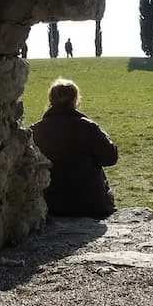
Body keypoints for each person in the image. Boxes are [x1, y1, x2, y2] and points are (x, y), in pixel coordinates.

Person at [30, 78, 117, 218]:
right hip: (89, 204)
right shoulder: (88, 127)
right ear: (75, 100)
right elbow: (110, 157)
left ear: (51, 100)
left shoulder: (36, 130)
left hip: (51, 203)